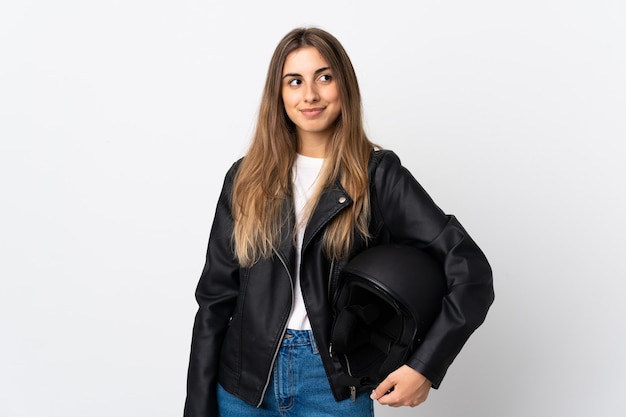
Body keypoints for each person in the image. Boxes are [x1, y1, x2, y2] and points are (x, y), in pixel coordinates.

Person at [184, 27, 494, 417]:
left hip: (331, 387)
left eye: (324, 78)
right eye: (294, 81)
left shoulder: (378, 175)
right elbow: (214, 301)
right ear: (278, 95)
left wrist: (425, 366)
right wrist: (197, 407)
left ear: (343, 86)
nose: (309, 94)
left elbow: (471, 272)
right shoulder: (245, 178)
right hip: (243, 386)